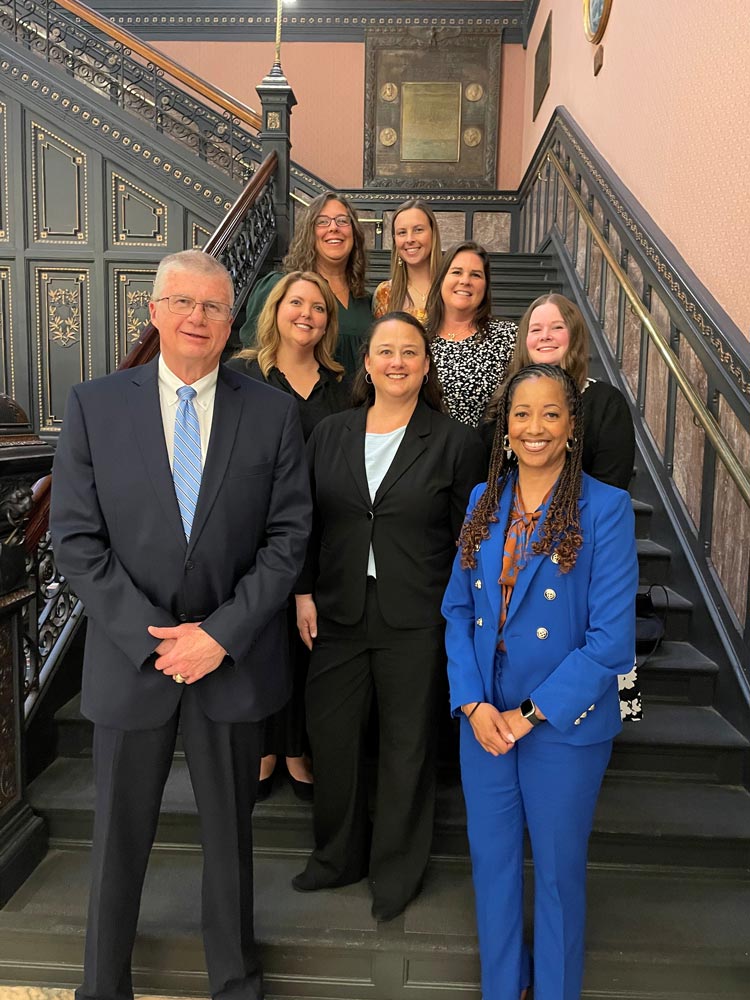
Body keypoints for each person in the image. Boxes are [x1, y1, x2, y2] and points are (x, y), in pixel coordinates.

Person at [50, 250, 311, 1000]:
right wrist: (152, 638)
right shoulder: (95, 405)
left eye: (215, 307)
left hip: (230, 662)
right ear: (155, 312)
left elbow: (288, 538)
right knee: (118, 843)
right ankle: (103, 988)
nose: (199, 318)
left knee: (229, 842)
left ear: (234, 324)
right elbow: (75, 537)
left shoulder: (271, 412)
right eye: (184, 303)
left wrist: (219, 635)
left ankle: (235, 984)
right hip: (133, 662)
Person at [442, 363, 638, 1000]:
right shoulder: (482, 501)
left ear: (571, 427)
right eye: (521, 414)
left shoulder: (604, 509)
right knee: (493, 872)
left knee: (556, 878)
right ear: (505, 428)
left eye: (551, 414)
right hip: (484, 723)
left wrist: (525, 716)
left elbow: (610, 642)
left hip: (559, 725)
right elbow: (458, 610)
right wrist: (473, 705)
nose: (535, 428)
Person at [293, 312, 486, 921]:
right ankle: (336, 858)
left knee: (407, 747)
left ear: (426, 364)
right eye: (385, 351)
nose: (397, 361)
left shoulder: (454, 441)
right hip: (337, 611)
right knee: (334, 738)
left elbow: (469, 541)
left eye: (410, 351)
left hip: (417, 616)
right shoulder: (329, 434)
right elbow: (307, 522)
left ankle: (395, 875)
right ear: (367, 364)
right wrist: (301, 592)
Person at [227, 270, 351, 799]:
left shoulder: (343, 383)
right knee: (260, 639)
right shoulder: (241, 373)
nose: (307, 314)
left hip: (324, 531)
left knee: (308, 645)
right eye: (296, 302)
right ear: (275, 308)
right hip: (253, 534)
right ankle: (262, 747)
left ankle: (297, 746)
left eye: (319, 307)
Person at [482, 292, 635, 490]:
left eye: (557, 327)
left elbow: (612, 485)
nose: (545, 336)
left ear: (575, 336)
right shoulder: (502, 400)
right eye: (536, 329)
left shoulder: (607, 403)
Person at [239, 191, 371, 376]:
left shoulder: (368, 302)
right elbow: (253, 357)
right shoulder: (279, 287)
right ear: (309, 232)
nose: (333, 227)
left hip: (361, 403)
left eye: (342, 220)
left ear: (354, 232)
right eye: (322, 221)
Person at [425, 240, 516, 428]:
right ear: (441, 279)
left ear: (485, 286)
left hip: (486, 451)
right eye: (457, 272)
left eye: (475, 275)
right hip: (430, 452)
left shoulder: (508, 337)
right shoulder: (419, 338)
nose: (465, 281)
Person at [372, 198, 442, 324]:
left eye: (418, 230)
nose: (409, 239)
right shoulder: (385, 293)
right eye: (402, 232)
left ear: (433, 233)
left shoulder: (452, 287)